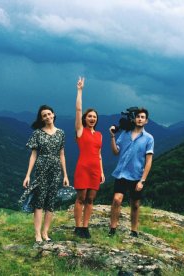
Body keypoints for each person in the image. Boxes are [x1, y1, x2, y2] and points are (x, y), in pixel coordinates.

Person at [19, 105, 69, 244]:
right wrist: (28, 175)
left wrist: (65, 175)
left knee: (50, 202)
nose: (47, 117)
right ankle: (37, 234)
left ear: (53, 114)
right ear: (42, 119)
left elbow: (62, 154)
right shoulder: (37, 133)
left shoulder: (61, 133)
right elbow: (33, 155)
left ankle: (45, 232)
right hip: (41, 167)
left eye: (49, 114)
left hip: (56, 169)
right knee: (39, 200)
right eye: (44, 116)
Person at [108, 108, 154, 238]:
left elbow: (149, 161)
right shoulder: (125, 134)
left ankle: (134, 230)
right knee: (117, 200)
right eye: (138, 116)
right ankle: (112, 229)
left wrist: (142, 180)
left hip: (136, 176)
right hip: (121, 173)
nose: (140, 119)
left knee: (135, 204)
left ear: (146, 121)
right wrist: (112, 136)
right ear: (134, 119)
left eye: (142, 117)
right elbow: (115, 152)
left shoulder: (149, 138)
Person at [73, 77, 105, 239]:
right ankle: (78, 227)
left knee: (91, 199)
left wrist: (102, 172)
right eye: (89, 116)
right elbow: (78, 110)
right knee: (81, 197)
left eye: (94, 117)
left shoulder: (99, 135)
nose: (92, 118)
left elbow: (99, 155)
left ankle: (86, 227)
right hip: (83, 168)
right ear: (85, 118)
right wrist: (80, 90)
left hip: (95, 170)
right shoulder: (80, 131)